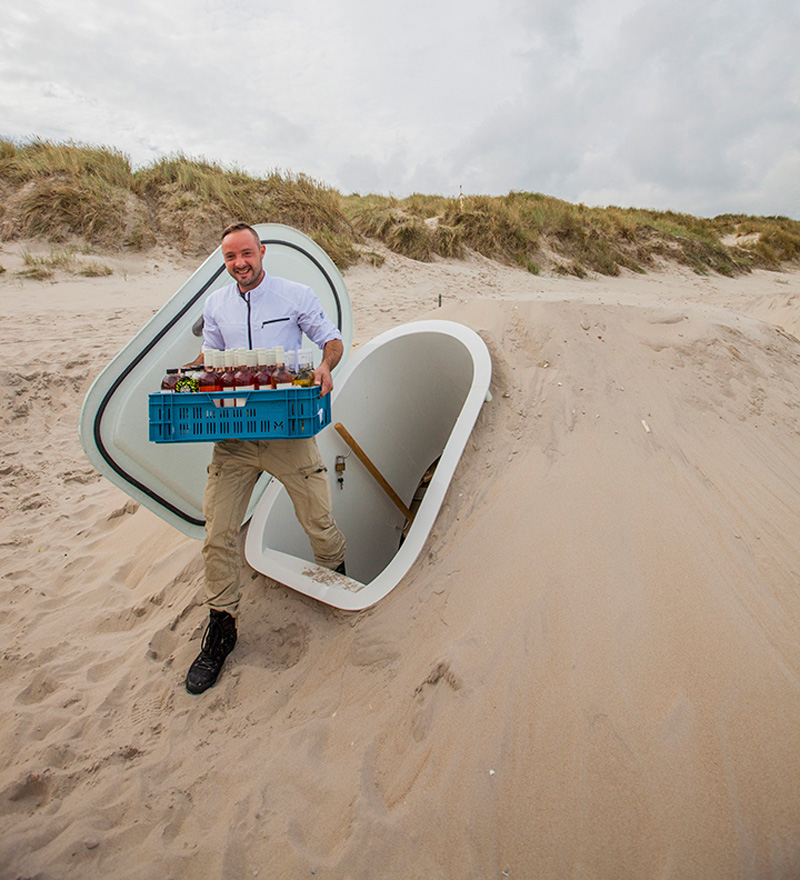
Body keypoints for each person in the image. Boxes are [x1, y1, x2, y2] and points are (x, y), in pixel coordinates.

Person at [185, 222, 346, 695]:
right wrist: (184, 378)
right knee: (217, 531)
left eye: (247, 254)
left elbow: (330, 339)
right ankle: (221, 628)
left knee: (317, 518)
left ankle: (336, 581)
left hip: (288, 428)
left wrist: (324, 365)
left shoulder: (295, 295)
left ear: (261, 252)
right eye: (231, 257)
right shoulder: (216, 304)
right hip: (234, 434)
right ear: (225, 260)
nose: (240, 263)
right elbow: (210, 357)